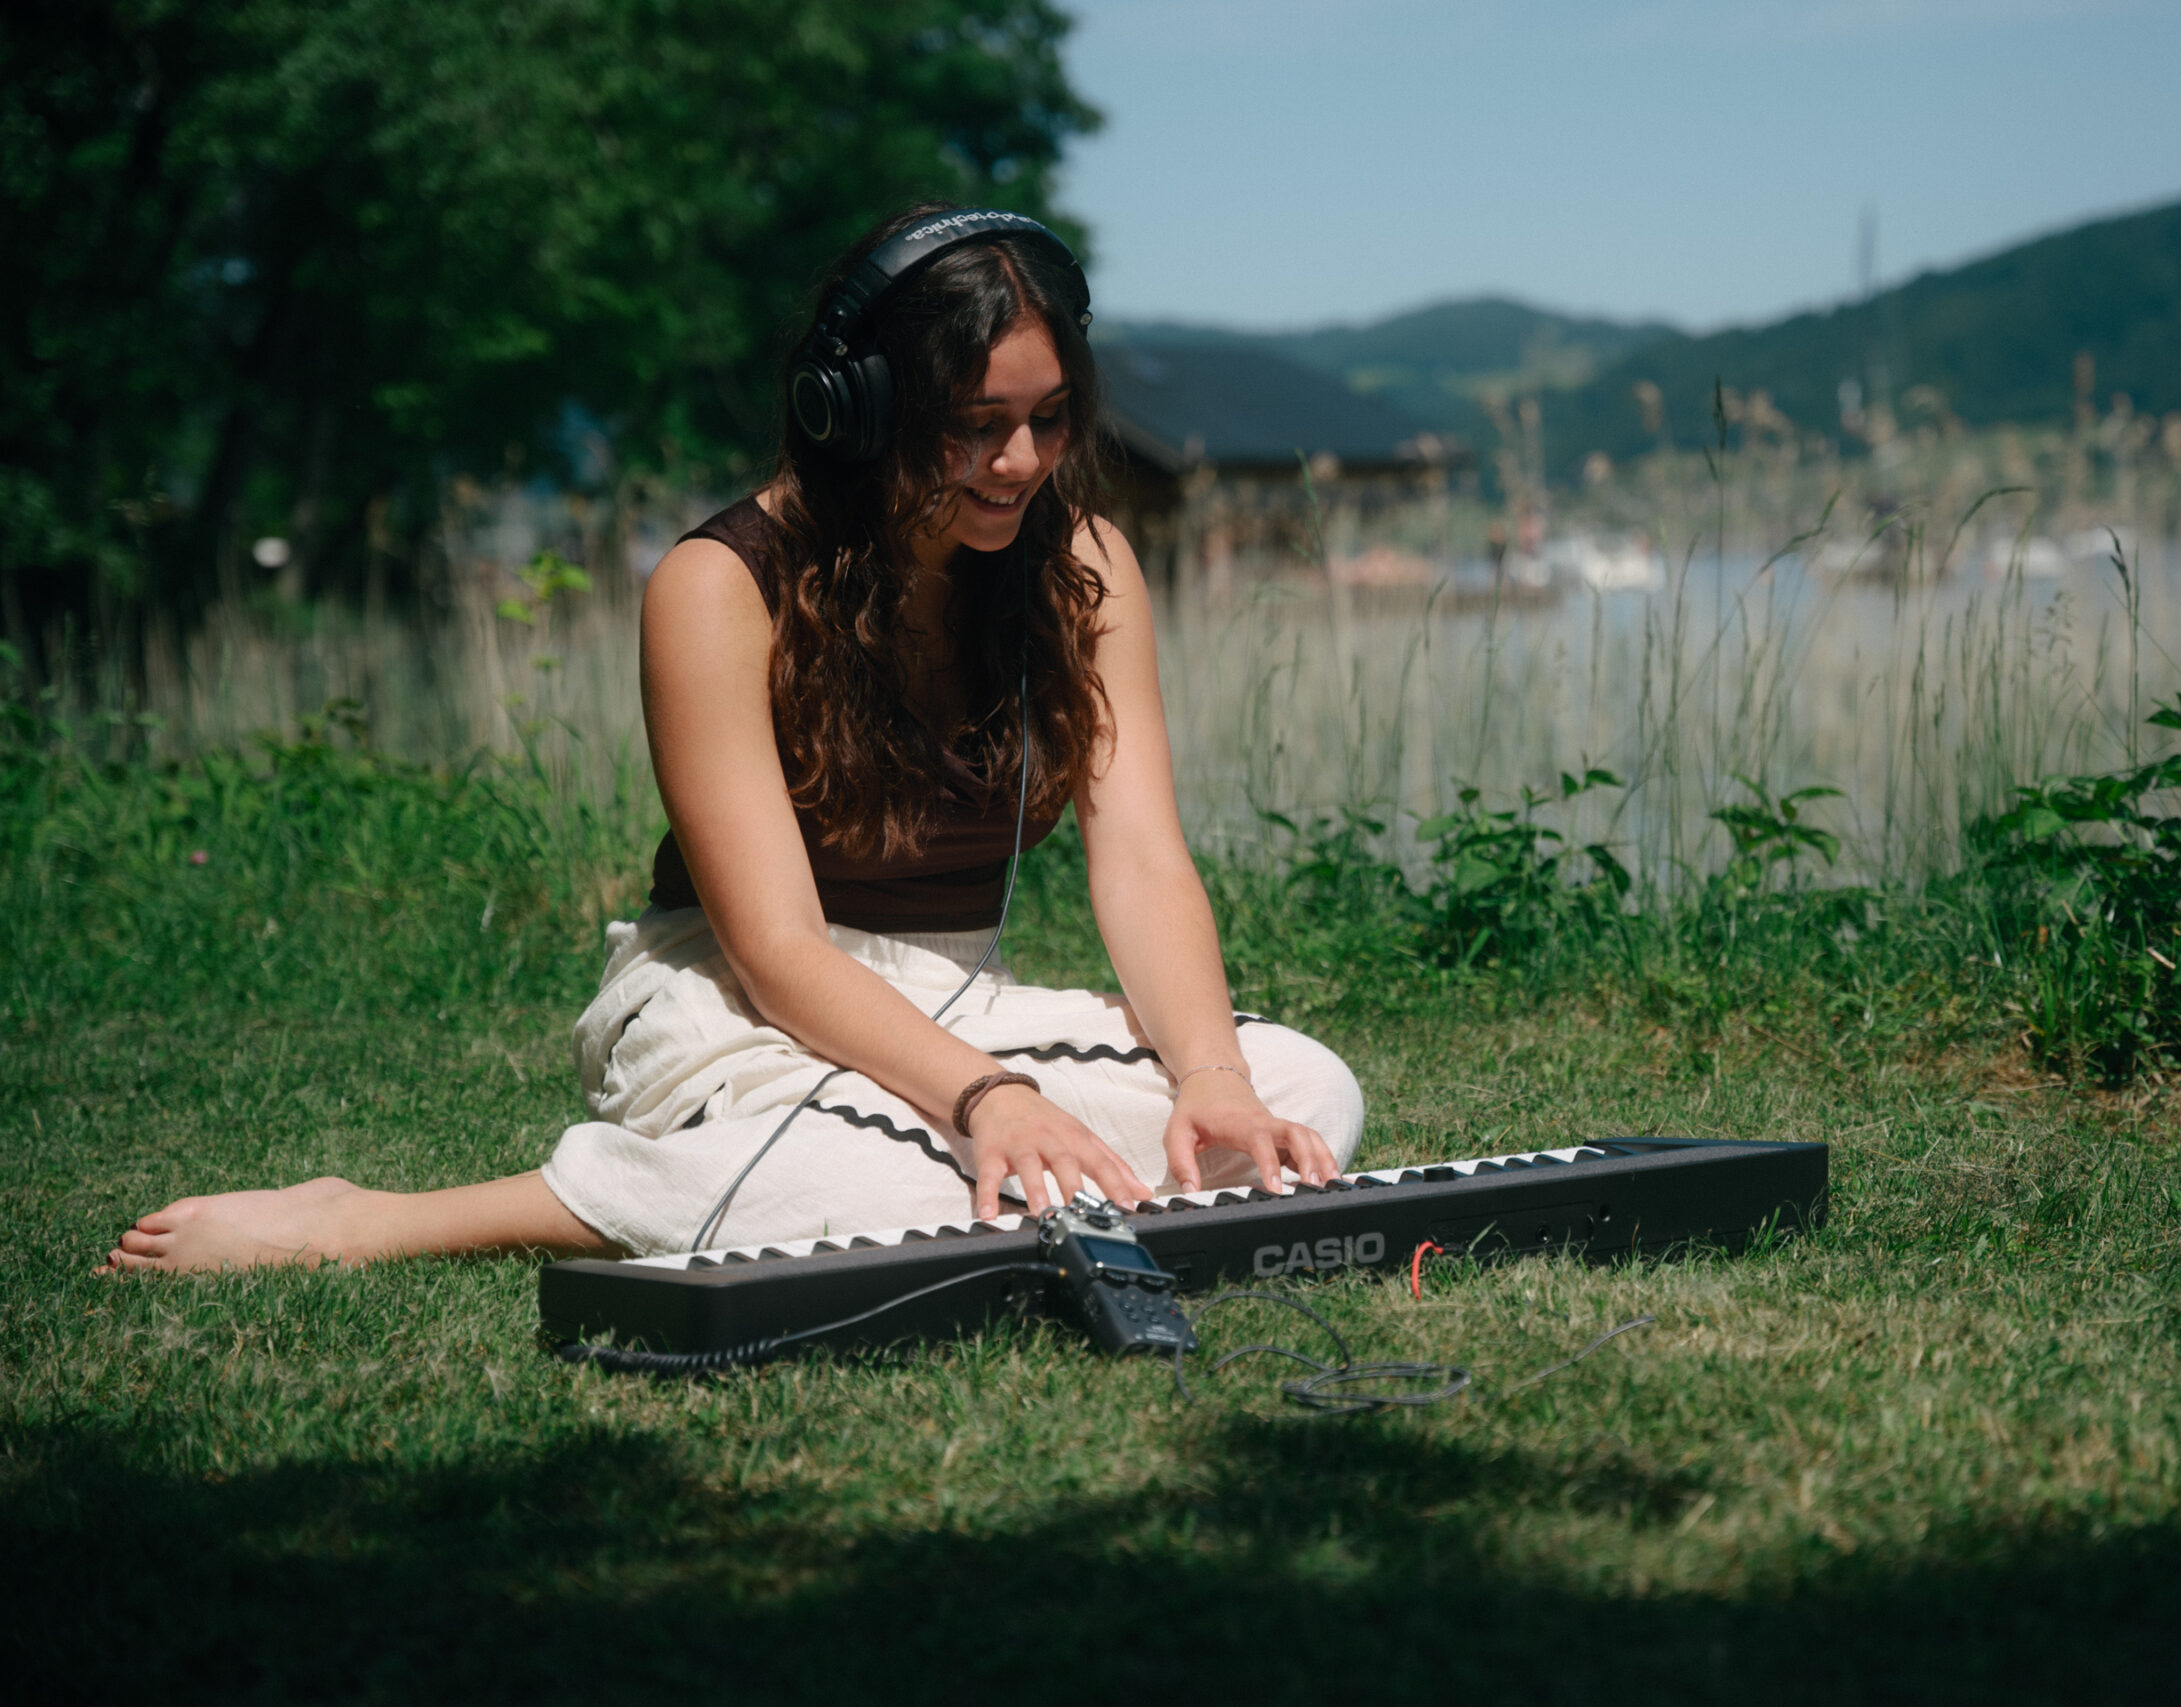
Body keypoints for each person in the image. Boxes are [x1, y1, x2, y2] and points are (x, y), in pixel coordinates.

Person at [102, 204, 1362, 1274]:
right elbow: (772, 946)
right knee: (878, 1196)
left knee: (1302, 1090)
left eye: (1047, 419)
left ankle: (979, 1148)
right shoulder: (719, 584)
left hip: (953, 995)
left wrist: (1207, 1076)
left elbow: (1138, 857)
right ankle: (381, 1221)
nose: (1019, 461)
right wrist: (989, 1095)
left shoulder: (1087, 565)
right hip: (725, 996)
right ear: (859, 405)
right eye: (974, 423)